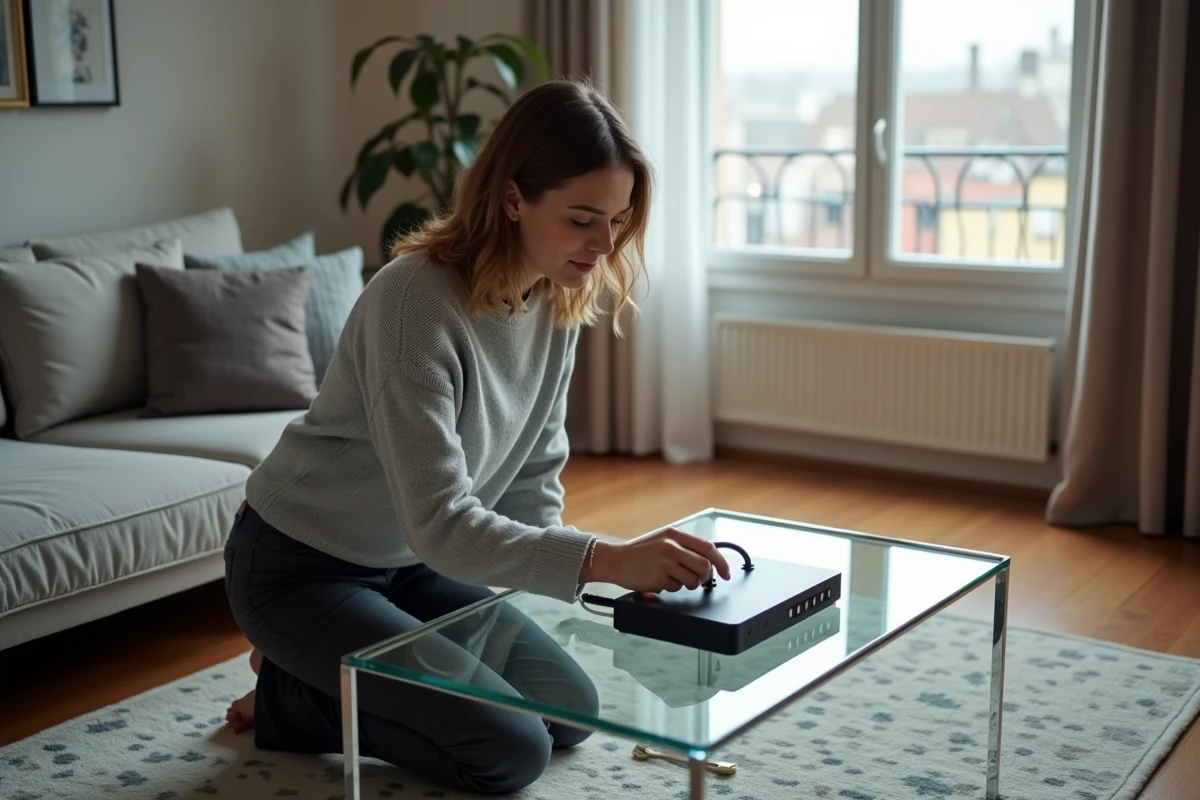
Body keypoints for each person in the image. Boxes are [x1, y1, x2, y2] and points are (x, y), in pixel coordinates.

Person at [222, 79, 732, 795]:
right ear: (514, 198)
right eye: (584, 218)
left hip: (411, 564)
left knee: (571, 711)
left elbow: (531, 480)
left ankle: (324, 667)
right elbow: (443, 523)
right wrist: (606, 559)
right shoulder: (413, 302)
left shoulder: (556, 295)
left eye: (618, 220)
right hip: (300, 567)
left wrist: (593, 585)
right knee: (509, 750)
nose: (605, 244)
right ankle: (294, 692)